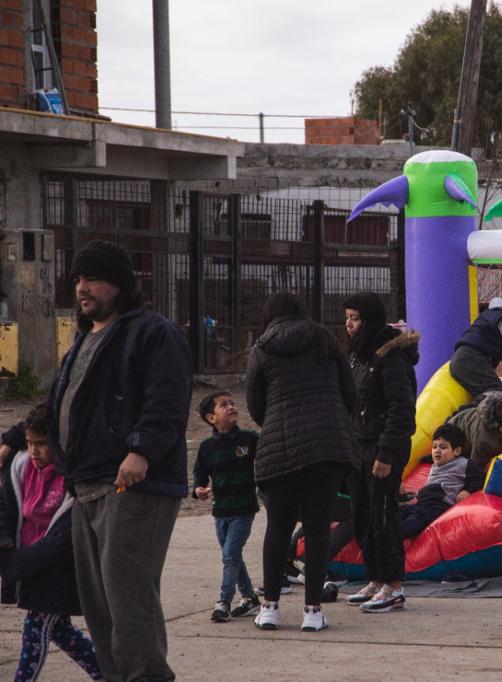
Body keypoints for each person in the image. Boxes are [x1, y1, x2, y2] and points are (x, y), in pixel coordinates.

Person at [47, 239, 191, 681]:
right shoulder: (84, 338)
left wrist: (141, 450)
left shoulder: (151, 332)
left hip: (132, 485)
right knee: (100, 608)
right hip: (85, 484)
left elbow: (167, 398)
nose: (82, 288)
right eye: (77, 279)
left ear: (120, 285)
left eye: (92, 279)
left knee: (129, 602)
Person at [246, 292, 357, 632]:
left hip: (279, 449)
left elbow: (255, 404)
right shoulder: (327, 341)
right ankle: (312, 611)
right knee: (318, 529)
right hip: (326, 447)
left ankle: (269, 607)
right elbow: (349, 394)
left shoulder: (262, 348)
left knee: (277, 528)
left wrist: (277, 422)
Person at [0, 404, 103, 681]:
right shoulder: (20, 467)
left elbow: (65, 538)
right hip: (26, 560)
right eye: (30, 443)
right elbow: (5, 509)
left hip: (58, 566)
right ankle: (106, 673)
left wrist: (19, 563)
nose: (35, 451)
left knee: (35, 629)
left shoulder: (74, 478)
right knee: (58, 629)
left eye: (42, 444)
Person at [342, 292, 419, 614]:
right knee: (362, 515)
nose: (349, 324)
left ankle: (394, 585)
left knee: (383, 516)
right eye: (347, 318)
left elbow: (402, 410)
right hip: (359, 444)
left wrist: (385, 454)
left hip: (384, 446)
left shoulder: (391, 357)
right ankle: (375, 577)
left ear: (370, 320)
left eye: (355, 318)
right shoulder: (360, 355)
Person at [192, 391, 261, 623]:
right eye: (224, 405)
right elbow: (200, 476)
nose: (231, 407)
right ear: (212, 418)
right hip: (220, 511)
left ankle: (224, 602)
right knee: (233, 556)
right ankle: (250, 598)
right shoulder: (206, 447)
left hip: (244, 509)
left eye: (232, 403)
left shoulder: (249, 439)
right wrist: (199, 490)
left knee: (230, 555)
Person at [447, 391, 502, 497]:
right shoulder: (486, 442)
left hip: (466, 422)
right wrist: (469, 489)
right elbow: (475, 466)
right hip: (454, 439)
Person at [397, 423, 468, 537]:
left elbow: (478, 477)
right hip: (421, 503)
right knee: (400, 510)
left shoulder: (463, 464)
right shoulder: (437, 461)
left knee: (416, 520)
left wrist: (467, 490)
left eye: (442, 447)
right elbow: (430, 457)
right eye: (434, 447)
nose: (437, 451)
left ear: (457, 451)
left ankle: (394, 534)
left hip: (438, 506)